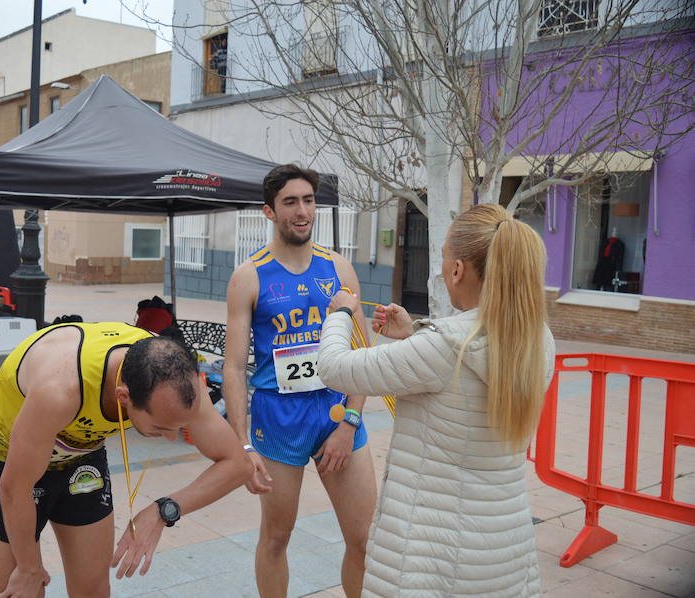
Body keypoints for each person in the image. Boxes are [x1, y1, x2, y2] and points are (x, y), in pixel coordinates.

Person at [317, 203, 555, 597]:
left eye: (444, 259)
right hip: (503, 546)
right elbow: (459, 379)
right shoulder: (537, 339)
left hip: (433, 552)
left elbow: (335, 366)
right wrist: (415, 334)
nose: (442, 271)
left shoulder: (445, 348)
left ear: (459, 269)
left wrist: (341, 314)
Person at [0, 322, 252, 598]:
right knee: (22, 589)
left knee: (92, 590)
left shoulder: (176, 378)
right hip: (6, 453)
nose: (171, 438)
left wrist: (163, 510)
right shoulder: (60, 389)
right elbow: (14, 488)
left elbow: (238, 465)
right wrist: (29, 567)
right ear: (123, 396)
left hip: (80, 449)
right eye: (161, 428)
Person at [223, 164, 376, 598]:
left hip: (335, 409)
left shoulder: (339, 269)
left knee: (364, 539)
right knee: (276, 538)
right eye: (290, 201)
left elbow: (361, 352)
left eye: (308, 200)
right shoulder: (248, 276)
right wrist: (243, 445)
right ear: (269, 211)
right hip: (278, 417)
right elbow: (234, 368)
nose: (302, 210)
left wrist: (349, 422)